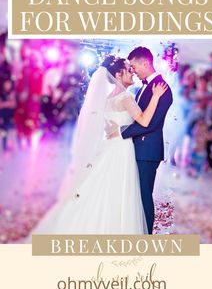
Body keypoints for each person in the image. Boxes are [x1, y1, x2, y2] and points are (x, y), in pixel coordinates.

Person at [25, 55, 168, 238]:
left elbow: (109, 125)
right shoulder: (126, 97)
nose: (132, 72)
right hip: (121, 151)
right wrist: (155, 97)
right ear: (118, 74)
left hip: (108, 148)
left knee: (102, 190)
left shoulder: (108, 99)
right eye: (128, 68)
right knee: (119, 193)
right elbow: (145, 121)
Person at [107, 47, 173, 234]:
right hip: (136, 149)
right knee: (135, 195)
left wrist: (121, 131)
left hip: (148, 151)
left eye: (134, 65)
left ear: (145, 63)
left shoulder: (163, 89)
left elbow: (150, 124)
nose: (132, 69)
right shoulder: (142, 88)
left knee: (144, 196)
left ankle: (146, 237)